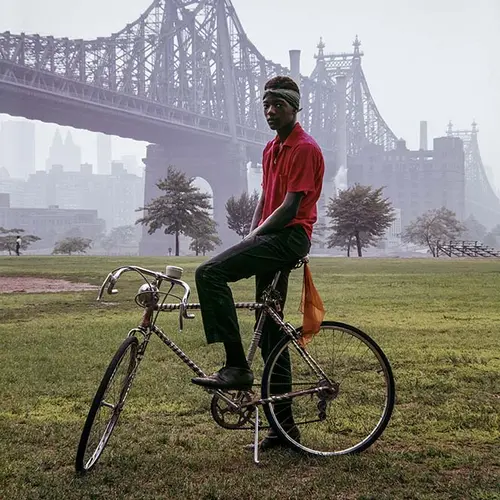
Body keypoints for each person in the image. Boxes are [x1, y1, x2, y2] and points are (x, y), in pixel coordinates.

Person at [192, 75, 325, 449]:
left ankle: (236, 366)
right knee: (272, 335)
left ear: (294, 108)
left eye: (278, 105)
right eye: (266, 105)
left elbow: (289, 209)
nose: (270, 111)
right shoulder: (271, 149)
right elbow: (266, 197)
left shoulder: (304, 148)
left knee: (210, 273)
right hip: (271, 236)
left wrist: (255, 237)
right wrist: (250, 232)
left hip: (290, 238)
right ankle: (285, 430)